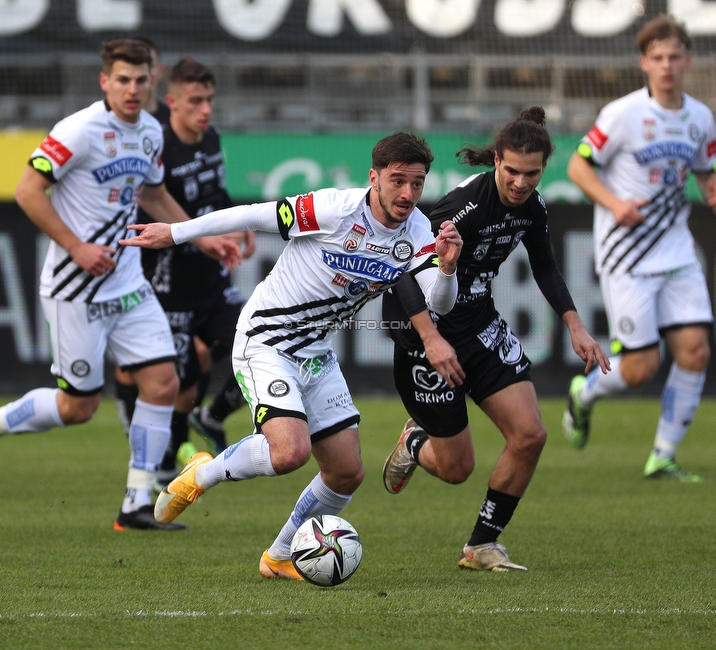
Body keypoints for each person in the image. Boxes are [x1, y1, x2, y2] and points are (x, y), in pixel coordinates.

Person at [120, 132, 463, 580]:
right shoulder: (334, 209)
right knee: (289, 453)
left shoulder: (419, 232)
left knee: (345, 473)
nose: (407, 194)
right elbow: (250, 215)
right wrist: (176, 233)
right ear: (373, 177)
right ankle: (205, 472)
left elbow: (439, 304)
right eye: (397, 181)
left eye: (417, 184)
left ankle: (279, 556)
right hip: (266, 339)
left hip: (317, 353)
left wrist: (449, 269)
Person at [0, 39, 241, 532]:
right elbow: (27, 190)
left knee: (164, 381)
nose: (132, 89)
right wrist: (77, 246)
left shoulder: (150, 132)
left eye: (140, 79)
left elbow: (152, 194)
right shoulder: (79, 130)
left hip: (127, 283)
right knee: (78, 406)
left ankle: (136, 501)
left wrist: (198, 239)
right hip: (76, 287)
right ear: (105, 82)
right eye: (122, 80)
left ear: (153, 81)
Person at [380, 108, 609, 573]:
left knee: (530, 435)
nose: (522, 183)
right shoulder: (462, 208)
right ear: (496, 161)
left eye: (532, 174)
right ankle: (414, 444)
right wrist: (427, 339)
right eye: (512, 172)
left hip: (480, 327)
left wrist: (575, 325)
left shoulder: (533, 207)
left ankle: (482, 544)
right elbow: (399, 268)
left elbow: (544, 267)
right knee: (456, 470)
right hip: (428, 336)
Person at [561, 15, 716, 482]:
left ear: (687, 60)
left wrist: (714, 191)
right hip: (627, 255)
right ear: (644, 63)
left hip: (677, 249)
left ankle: (662, 456)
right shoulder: (622, 113)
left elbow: (705, 171)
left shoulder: (700, 117)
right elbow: (578, 169)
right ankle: (585, 393)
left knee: (695, 351)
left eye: (675, 56)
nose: (667, 65)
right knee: (639, 369)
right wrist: (615, 203)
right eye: (658, 58)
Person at [112, 56, 255, 489]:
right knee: (181, 378)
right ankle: (162, 467)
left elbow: (216, 191)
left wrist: (239, 220)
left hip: (212, 281)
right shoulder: (157, 147)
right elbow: (145, 207)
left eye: (209, 99)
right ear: (171, 101)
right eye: (195, 101)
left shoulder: (210, 138)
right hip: (167, 286)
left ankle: (210, 417)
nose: (205, 110)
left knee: (253, 342)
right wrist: (199, 236)